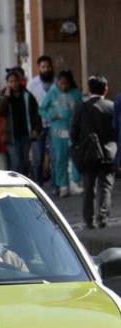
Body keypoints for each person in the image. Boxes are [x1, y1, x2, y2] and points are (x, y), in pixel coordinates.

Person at [71, 75, 117, 229]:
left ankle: (88, 220)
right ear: (105, 89)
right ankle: (102, 218)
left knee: (89, 187)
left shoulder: (81, 107)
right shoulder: (111, 107)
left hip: (88, 153)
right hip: (108, 152)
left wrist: (78, 146)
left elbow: (74, 132)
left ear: (89, 90)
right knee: (106, 186)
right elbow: (116, 129)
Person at [39, 70, 83, 197]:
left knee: (75, 157)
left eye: (66, 84)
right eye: (61, 84)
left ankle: (75, 183)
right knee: (60, 158)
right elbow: (41, 109)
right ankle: (62, 185)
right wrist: (52, 116)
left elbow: (81, 110)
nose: (63, 86)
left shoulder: (76, 94)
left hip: (73, 129)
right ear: (57, 83)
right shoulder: (52, 92)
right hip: (58, 130)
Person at [0, 70, 42, 175]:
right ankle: (14, 184)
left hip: (25, 134)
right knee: (16, 162)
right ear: (7, 83)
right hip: (11, 136)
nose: (14, 84)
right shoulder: (4, 95)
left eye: (15, 81)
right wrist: (6, 97)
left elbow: (36, 113)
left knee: (25, 162)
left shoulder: (27, 95)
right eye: (11, 82)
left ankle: (24, 182)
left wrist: (36, 129)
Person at [28, 56, 55, 187]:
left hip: (55, 124)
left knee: (55, 156)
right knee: (38, 157)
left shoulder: (57, 82)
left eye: (48, 67)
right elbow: (30, 106)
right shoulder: (32, 84)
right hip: (38, 125)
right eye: (43, 67)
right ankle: (38, 185)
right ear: (39, 68)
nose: (46, 69)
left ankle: (56, 184)